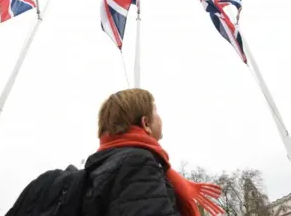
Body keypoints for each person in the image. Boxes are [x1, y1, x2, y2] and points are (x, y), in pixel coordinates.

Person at [82, 88, 224, 216]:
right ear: (146, 123)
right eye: (156, 112)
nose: (160, 118)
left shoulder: (102, 166)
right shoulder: (137, 163)